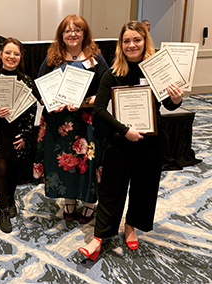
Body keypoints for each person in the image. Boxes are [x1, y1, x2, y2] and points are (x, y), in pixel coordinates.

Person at [78, 20, 183, 261]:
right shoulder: (112, 74)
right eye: (126, 41)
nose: (131, 44)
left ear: (145, 41)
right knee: (111, 189)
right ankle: (99, 236)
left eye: (137, 39)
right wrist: (125, 130)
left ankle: (131, 226)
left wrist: (176, 99)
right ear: (120, 45)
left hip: (152, 141)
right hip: (120, 141)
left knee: (144, 188)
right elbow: (99, 111)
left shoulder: (156, 71)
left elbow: (168, 104)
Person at [33, 14, 108, 224]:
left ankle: (90, 202)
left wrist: (84, 103)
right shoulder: (52, 59)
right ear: (61, 35)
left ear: (85, 34)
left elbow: (105, 91)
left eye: (78, 30)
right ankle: (69, 201)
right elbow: (38, 89)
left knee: (88, 162)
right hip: (60, 122)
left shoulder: (96, 59)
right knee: (65, 163)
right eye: (68, 30)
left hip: (87, 121)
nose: (72, 34)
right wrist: (49, 101)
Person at [0, 38, 37, 233]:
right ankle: (3, 210)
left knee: (13, 169)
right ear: (1, 55)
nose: (12, 57)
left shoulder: (26, 80)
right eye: (8, 53)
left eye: (16, 54)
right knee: (1, 170)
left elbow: (31, 109)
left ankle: (11, 199)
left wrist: (26, 133)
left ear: (20, 57)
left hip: (17, 132)